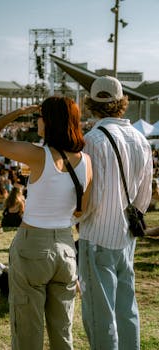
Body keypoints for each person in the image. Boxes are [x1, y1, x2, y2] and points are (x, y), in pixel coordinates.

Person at [0, 96, 92, 350]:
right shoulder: (86, 161)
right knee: (63, 333)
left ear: (49, 121)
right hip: (65, 246)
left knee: (28, 331)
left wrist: (18, 111)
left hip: (33, 246)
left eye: (39, 116)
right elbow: (84, 210)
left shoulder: (37, 155)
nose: (36, 120)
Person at [78, 76, 153, 350]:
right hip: (126, 236)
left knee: (100, 315)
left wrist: (79, 219)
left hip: (97, 233)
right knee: (127, 310)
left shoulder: (92, 140)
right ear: (121, 103)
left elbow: (89, 197)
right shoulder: (141, 140)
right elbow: (143, 198)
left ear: (92, 103)